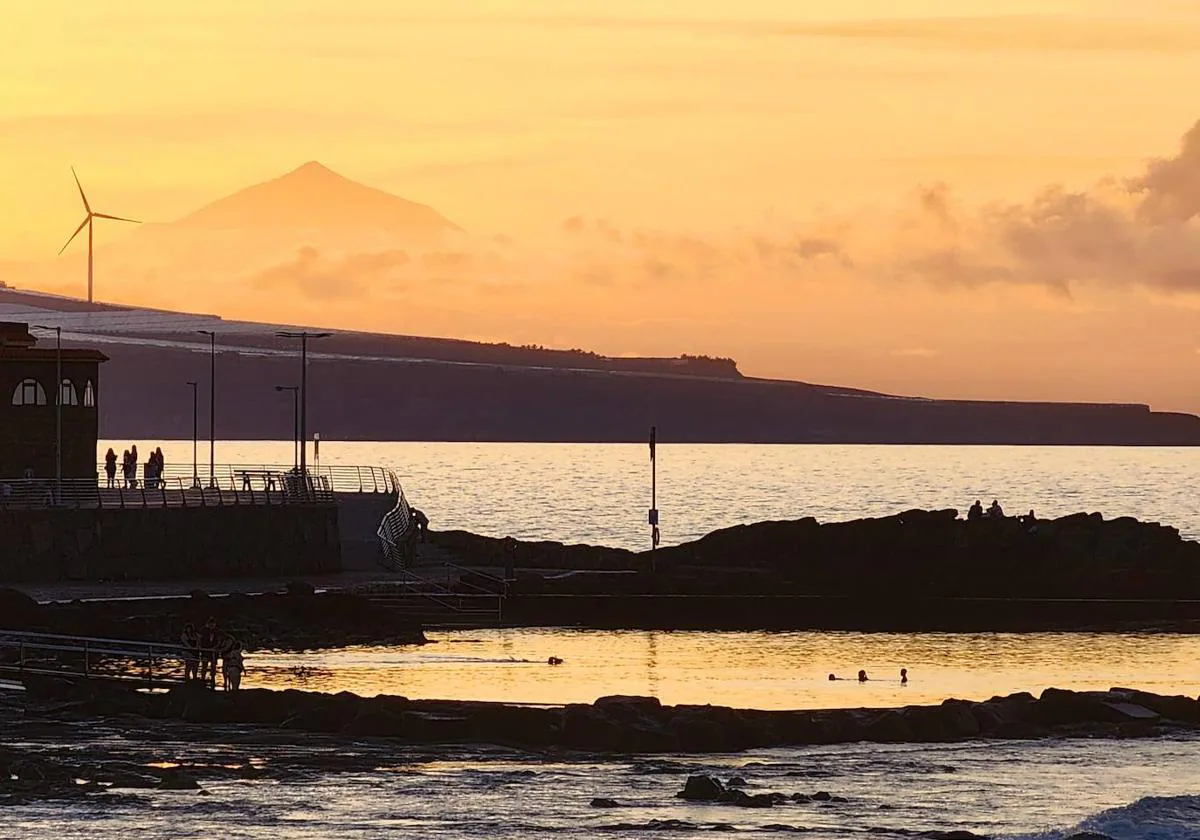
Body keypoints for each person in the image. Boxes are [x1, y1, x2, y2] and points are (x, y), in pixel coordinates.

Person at [199, 617, 219, 688]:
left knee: (213, 666)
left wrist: (215, 647)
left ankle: (212, 679)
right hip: (206, 651)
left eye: (213, 624)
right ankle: (203, 679)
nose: (212, 625)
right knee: (204, 665)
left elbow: (218, 641)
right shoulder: (204, 631)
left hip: (213, 652)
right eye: (211, 624)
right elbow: (201, 640)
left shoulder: (216, 631)